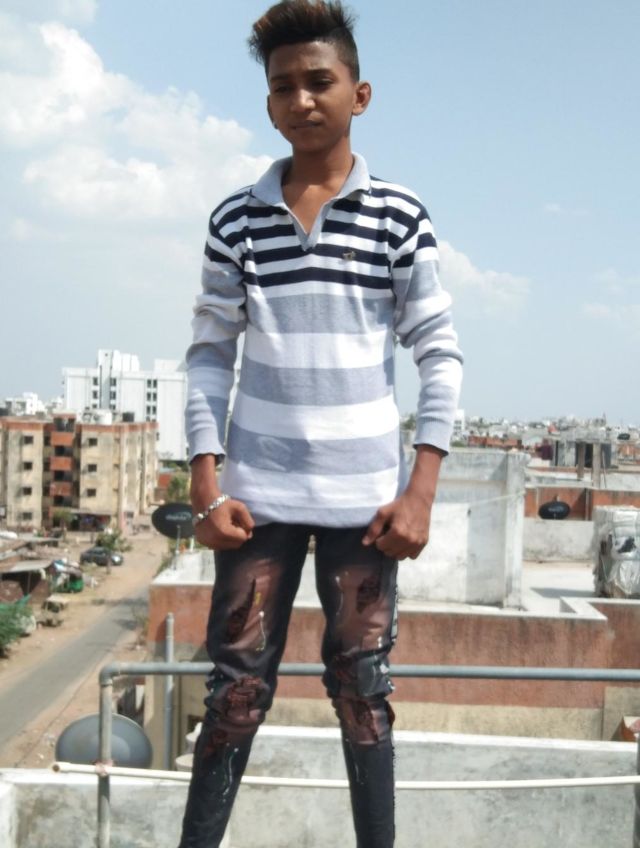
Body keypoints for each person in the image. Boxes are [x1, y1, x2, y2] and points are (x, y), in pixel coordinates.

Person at [178, 1, 463, 845]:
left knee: (362, 694)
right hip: (255, 502)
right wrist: (204, 482)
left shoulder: (398, 216)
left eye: (319, 81)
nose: (302, 99)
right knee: (234, 693)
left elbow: (439, 352)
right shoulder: (236, 220)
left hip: (365, 510)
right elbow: (209, 353)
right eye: (283, 87)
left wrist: (420, 492)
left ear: (358, 94)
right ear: (268, 105)